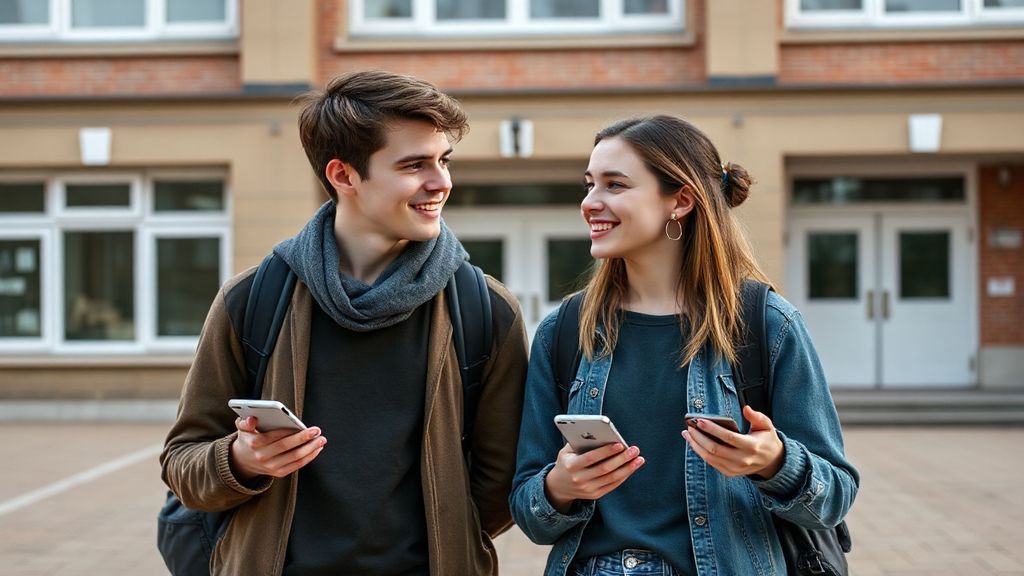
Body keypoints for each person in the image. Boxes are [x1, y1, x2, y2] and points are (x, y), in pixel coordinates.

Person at [161, 70, 529, 575]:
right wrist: (242, 461)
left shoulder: (485, 308)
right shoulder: (252, 299)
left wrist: (446, 535)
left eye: (443, 160)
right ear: (343, 175)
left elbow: (501, 482)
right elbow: (182, 462)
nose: (441, 181)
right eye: (414, 164)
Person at [510, 115, 859, 576]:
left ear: (681, 200)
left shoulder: (767, 325)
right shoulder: (565, 330)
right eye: (590, 184)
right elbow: (528, 509)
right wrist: (559, 485)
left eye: (614, 185)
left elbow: (834, 495)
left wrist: (774, 463)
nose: (590, 203)